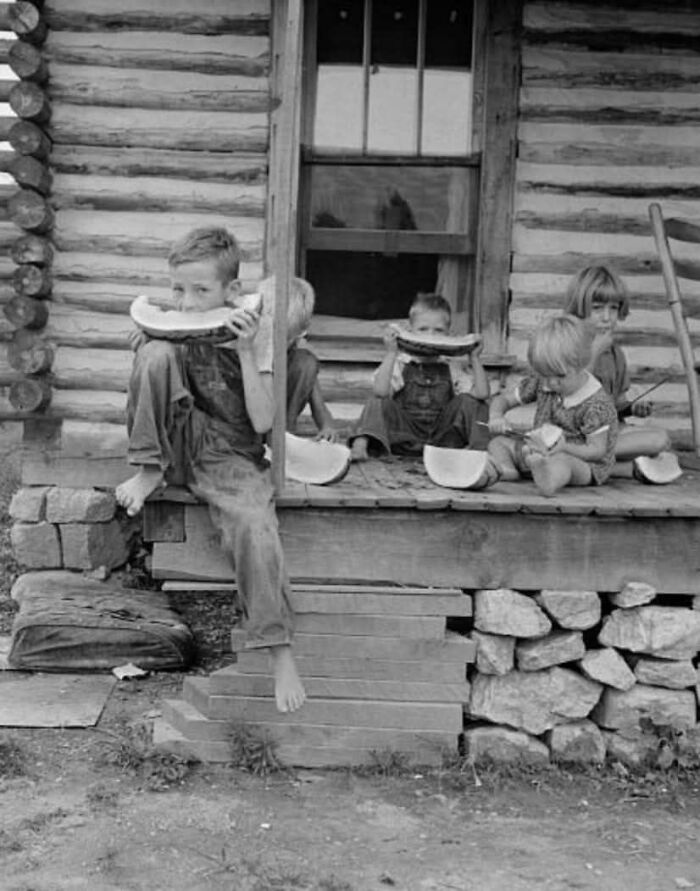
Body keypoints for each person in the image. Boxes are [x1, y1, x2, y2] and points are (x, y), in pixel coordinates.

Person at [115, 227, 305, 714]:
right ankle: (148, 469)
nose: (187, 302)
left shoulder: (255, 333)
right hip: (177, 446)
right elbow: (152, 396)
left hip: (231, 456)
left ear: (231, 293)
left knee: (255, 526)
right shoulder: (170, 326)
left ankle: (279, 648)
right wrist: (146, 351)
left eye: (202, 291)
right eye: (178, 289)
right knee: (153, 352)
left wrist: (243, 353)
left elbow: (264, 422)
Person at [565, 265, 679, 481]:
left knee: (661, 439)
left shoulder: (616, 354)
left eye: (614, 308)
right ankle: (581, 455)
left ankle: (594, 463)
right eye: (597, 308)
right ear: (579, 308)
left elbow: (615, 404)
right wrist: (595, 351)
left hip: (608, 432)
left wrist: (632, 408)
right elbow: (572, 394)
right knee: (654, 444)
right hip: (576, 433)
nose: (607, 318)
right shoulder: (568, 346)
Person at [488, 313, 619, 497]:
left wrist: (564, 447)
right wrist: (496, 416)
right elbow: (504, 400)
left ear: (581, 365)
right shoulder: (544, 382)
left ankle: (549, 480)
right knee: (498, 443)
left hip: (580, 461)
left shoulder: (595, 404)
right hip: (537, 450)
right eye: (544, 375)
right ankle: (508, 469)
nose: (550, 384)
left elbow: (597, 451)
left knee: (563, 463)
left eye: (559, 377)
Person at [349, 292, 490, 461]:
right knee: (377, 400)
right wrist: (391, 352)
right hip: (404, 436)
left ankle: (480, 454)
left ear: (448, 334)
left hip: (442, 441)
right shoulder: (401, 362)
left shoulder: (452, 365)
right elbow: (380, 391)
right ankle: (360, 447)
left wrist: (474, 357)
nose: (430, 335)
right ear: (410, 331)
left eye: (438, 330)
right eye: (423, 329)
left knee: (473, 402)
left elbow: (481, 394)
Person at [258, 275, 337, 442]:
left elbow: (319, 405)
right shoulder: (247, 342)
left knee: (307, 362)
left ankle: (283, 436)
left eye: (288, 339)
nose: (280, 346)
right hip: (246, 425)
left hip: (279, 429)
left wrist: (327, 427)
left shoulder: (298, 358)